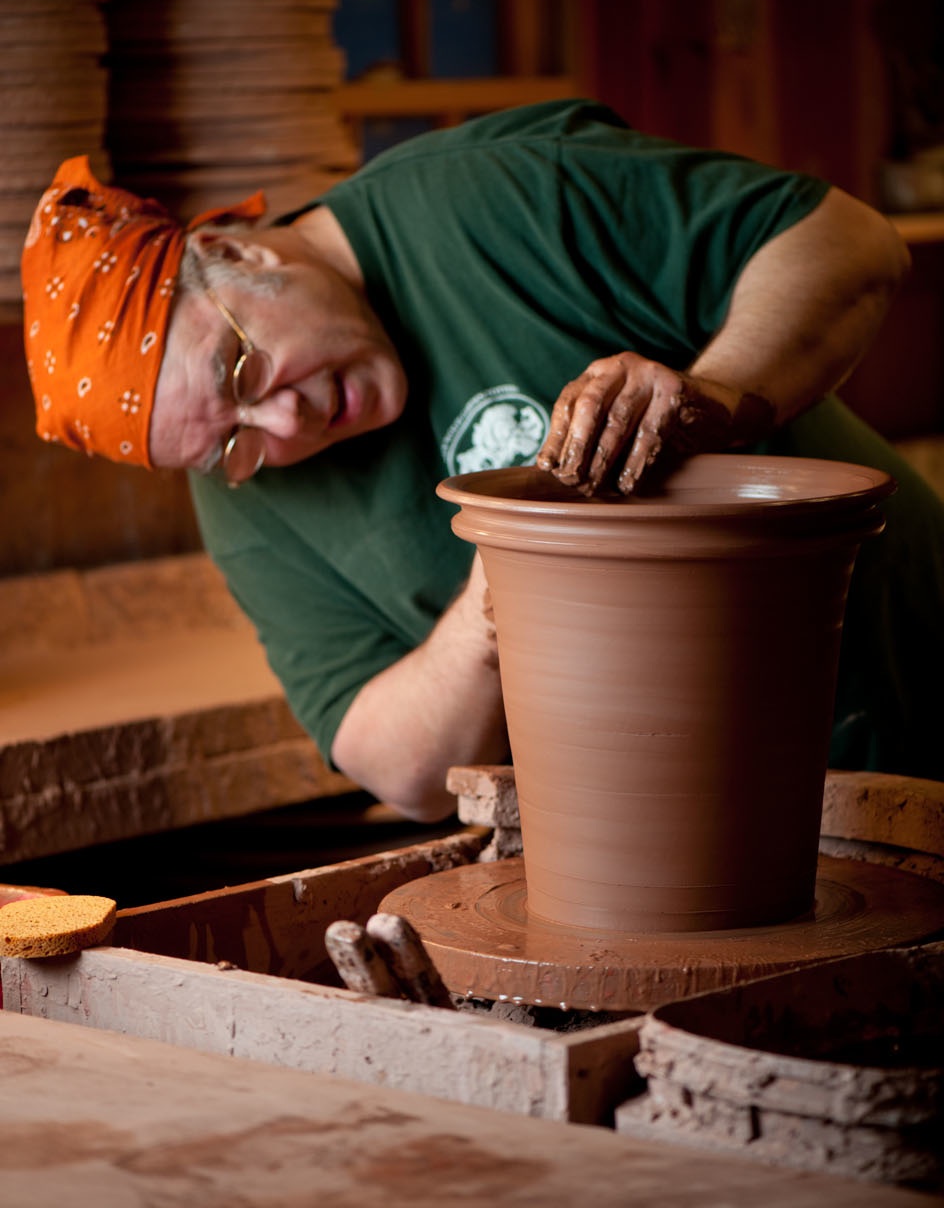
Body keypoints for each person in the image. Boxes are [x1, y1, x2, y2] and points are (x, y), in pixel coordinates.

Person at [22, 99, 944, 821]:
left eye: (243, 368)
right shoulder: (246, 491)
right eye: (232, 439)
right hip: (693, 819)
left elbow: (851, 243)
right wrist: (492, 606)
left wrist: (715, 395)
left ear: (232, 251)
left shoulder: (491, 197)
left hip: (905, 685)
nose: (285, 420)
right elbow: (399, 772)